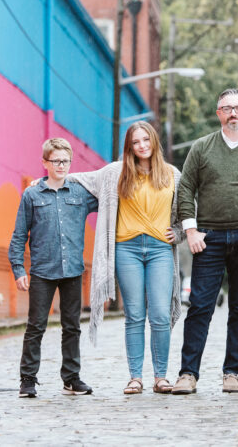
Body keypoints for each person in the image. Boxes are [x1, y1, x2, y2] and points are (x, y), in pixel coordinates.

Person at [171, 88, 238, 395]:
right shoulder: (202, 147)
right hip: (208, 238)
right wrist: (191, 231)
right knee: (200, 307)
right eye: (227, 108)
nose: (233, 113)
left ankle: (232, 372)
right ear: (218, 113)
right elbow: (186, 189)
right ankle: (187, 374)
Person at [63, 121, 184, 395]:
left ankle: (161, 377)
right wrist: (50, 181)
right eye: (135, 142)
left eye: (145, 140)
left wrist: (178, 232)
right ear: (129, 147)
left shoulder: (173, 175)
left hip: (160, 249)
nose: (141, 146)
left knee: (161, 315)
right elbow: (83, 179)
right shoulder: (116, 173)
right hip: (126, 249)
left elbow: (189, 211)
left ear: (154, 141)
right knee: (134, 315)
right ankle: (135, 378)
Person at [8, 137, 98, 398]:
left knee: (72, 326)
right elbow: (19, 234)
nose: (61, 165)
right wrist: (18, 268)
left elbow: (109, 197)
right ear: (45, 163)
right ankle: (27, 380)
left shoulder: (80, 193)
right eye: (56, 161)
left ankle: (71, 378)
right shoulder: (32, 194)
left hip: (72, 271)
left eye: (65, 161)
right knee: (36, 326)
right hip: (42, 271)